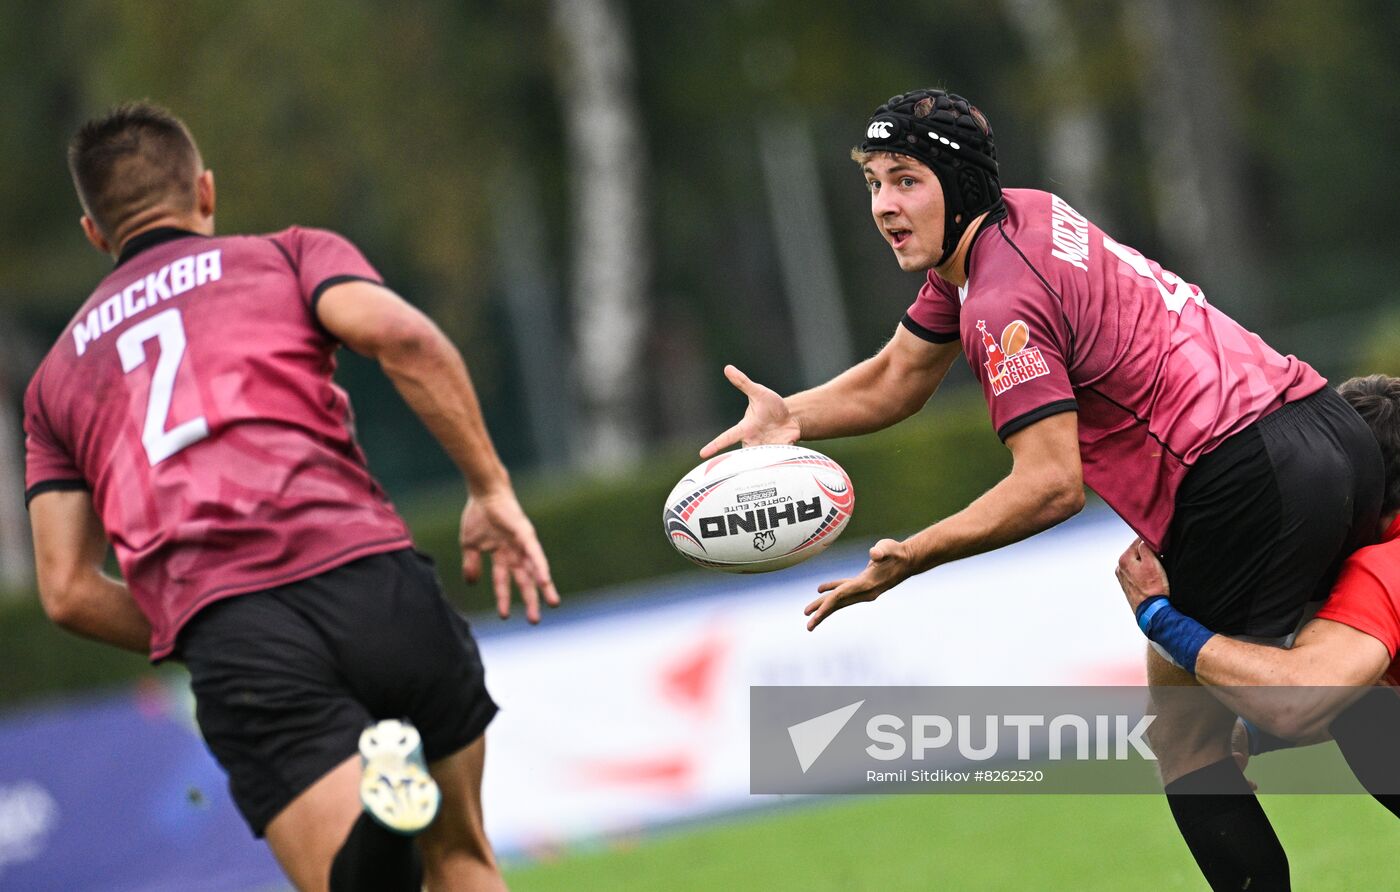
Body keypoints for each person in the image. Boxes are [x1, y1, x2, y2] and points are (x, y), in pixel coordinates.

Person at [702, 88, 1383, 889]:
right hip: (1326, 429)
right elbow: (900, 374)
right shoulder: (1016, 220)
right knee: (1332, 679)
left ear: (958, 187)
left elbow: (1051, 486)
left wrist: (912, 556)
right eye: (874, 183)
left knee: (1227, 728)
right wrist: (791, 419)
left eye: (906, 180)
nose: (885, 206)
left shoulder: (1001, 300)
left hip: (1240, 478)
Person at [24, 102, 557, 892]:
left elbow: (66, 590)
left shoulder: (55, 379)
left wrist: (198, 623)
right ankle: (396, 819)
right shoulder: (290, 255)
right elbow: (406, 338)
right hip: (378, 584)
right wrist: (490, 488)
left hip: (241, 634)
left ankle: (384, 827)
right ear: (205, 191)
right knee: (463, 860)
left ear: (94, 233)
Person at [1118, 374, 1400, 808]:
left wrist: (1159, 617)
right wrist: (1249, 733)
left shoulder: (1384, 565)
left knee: (1351, 698)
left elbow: (1300, 701)